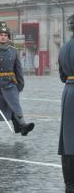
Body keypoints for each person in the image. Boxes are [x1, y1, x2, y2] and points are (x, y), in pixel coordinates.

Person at [0, 24, 34, 145]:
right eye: (1, 35)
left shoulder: (14, 51)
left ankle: (22, 126)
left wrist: (20, 84)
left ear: (8, 37)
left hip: (10, 84)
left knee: (15, 105)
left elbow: (18, 69)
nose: (4, 37)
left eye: (6, 35)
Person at [58, 14, 74, 192]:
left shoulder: (64, 48)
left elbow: (62, 76)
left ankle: (69, 182)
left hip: (69, 91)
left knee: (68, 139)